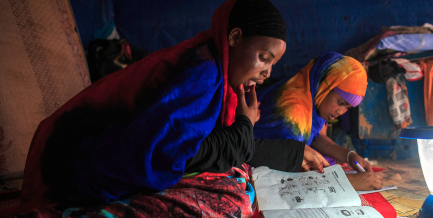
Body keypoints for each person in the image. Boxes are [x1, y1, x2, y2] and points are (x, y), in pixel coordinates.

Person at [18, 0, 328, 214]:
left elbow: (211, 144)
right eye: (264, 57)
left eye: (273, 63)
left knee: (237, 180)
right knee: (231, 196)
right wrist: (245, 126)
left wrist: (290, 151)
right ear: (234, 38)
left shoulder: (217, 70)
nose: (268, 73)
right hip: (70, 171)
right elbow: (167, 154)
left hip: (78, 158)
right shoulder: (202, 73)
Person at [254, 52, 383, 191]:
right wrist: (347, 182)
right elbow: (286, 166)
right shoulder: (293, 115)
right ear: (324, 84)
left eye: (348, 108)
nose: (341, 111)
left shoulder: (315, 96)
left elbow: (318, 137)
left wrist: (349, 155)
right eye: (340, 102)